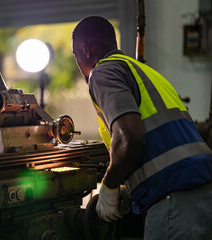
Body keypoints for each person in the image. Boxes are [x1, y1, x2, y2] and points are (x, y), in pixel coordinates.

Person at [72, 16, 212, 239]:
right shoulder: (147, 72)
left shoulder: (103, 72)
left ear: (85, 50)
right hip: (204, 189)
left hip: (172, 196)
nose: (78, 66)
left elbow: (130, 135)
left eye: (75, 57)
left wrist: (109, 186)